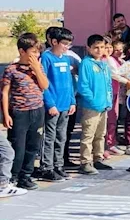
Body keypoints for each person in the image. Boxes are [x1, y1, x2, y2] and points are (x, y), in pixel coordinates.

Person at [1, 33, 49, 191]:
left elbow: (45, 86)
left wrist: (37, 70)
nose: (36, 55)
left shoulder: (38, 68)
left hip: (37, 110)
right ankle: (12, 177)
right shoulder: (11, 69)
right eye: (33, 52)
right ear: (22, 51)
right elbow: (5, 93)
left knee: (33, 145)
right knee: (18, 147)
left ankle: (25, 176)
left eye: (38, 52)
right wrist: (6, 114)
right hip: (20, 113)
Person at [40, 27, 77, 182]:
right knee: (49, 137)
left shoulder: (66, 59)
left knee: (61, 137)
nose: (67, 47)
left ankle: (58, 165)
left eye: (69, 44)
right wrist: (50, 104)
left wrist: (72, 101)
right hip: (53, 106)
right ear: (54, 42)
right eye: (64, 44)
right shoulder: (46, 57)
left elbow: (69, 82)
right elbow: (43, 84)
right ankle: (47, 168)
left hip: (65, 105)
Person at [77, 35, 114, 175]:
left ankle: (98, 158)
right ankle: (85, 162)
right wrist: (93, 101)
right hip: (91, 107)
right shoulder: (86, 63)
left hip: (104, 105)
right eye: (96, 47)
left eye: (102, 47)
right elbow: (83, 86)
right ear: (89, 48)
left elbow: (108, 84)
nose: (99, 50)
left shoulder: (104, 64)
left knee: (101, 134)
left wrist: (108, 101)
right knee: (88, 135)